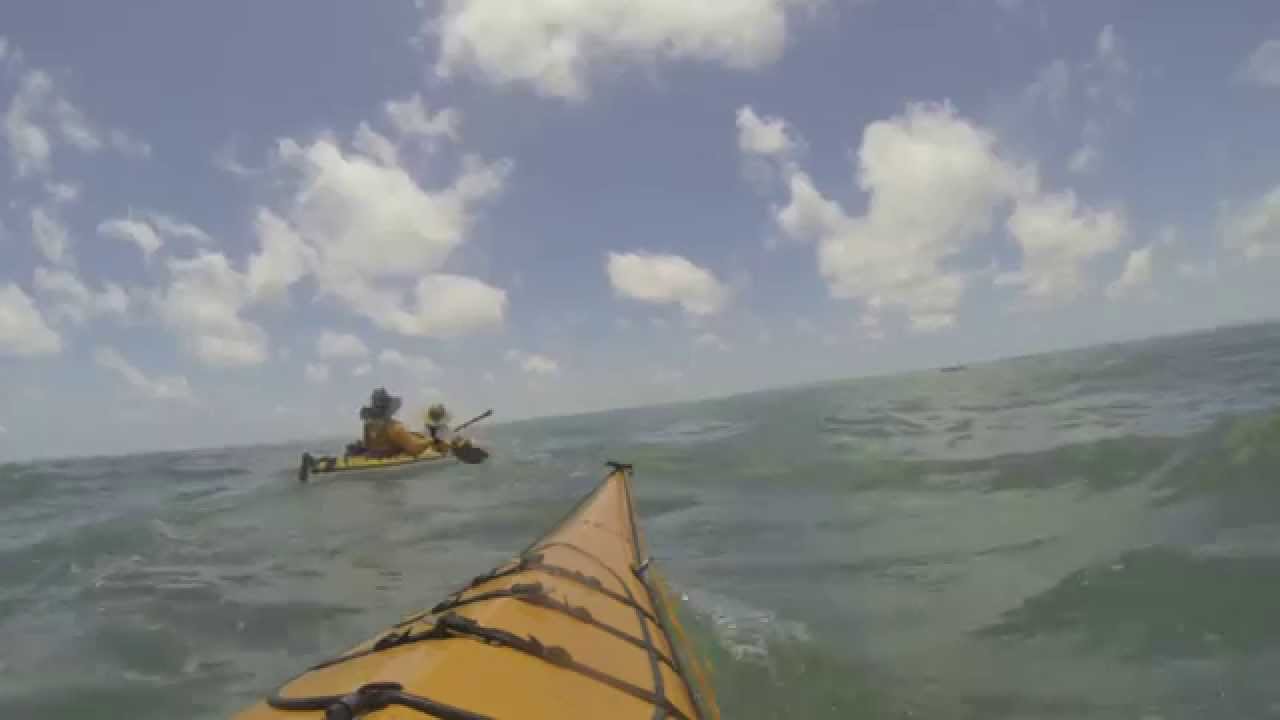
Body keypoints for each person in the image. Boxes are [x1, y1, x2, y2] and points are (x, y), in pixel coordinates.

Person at [359, 387, 431, 457]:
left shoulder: (367, 426)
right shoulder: (395, 428)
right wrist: (430, 440)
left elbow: (367, 446)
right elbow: (414, 449)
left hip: (377, 459)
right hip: (391, 461)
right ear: (389, 407)